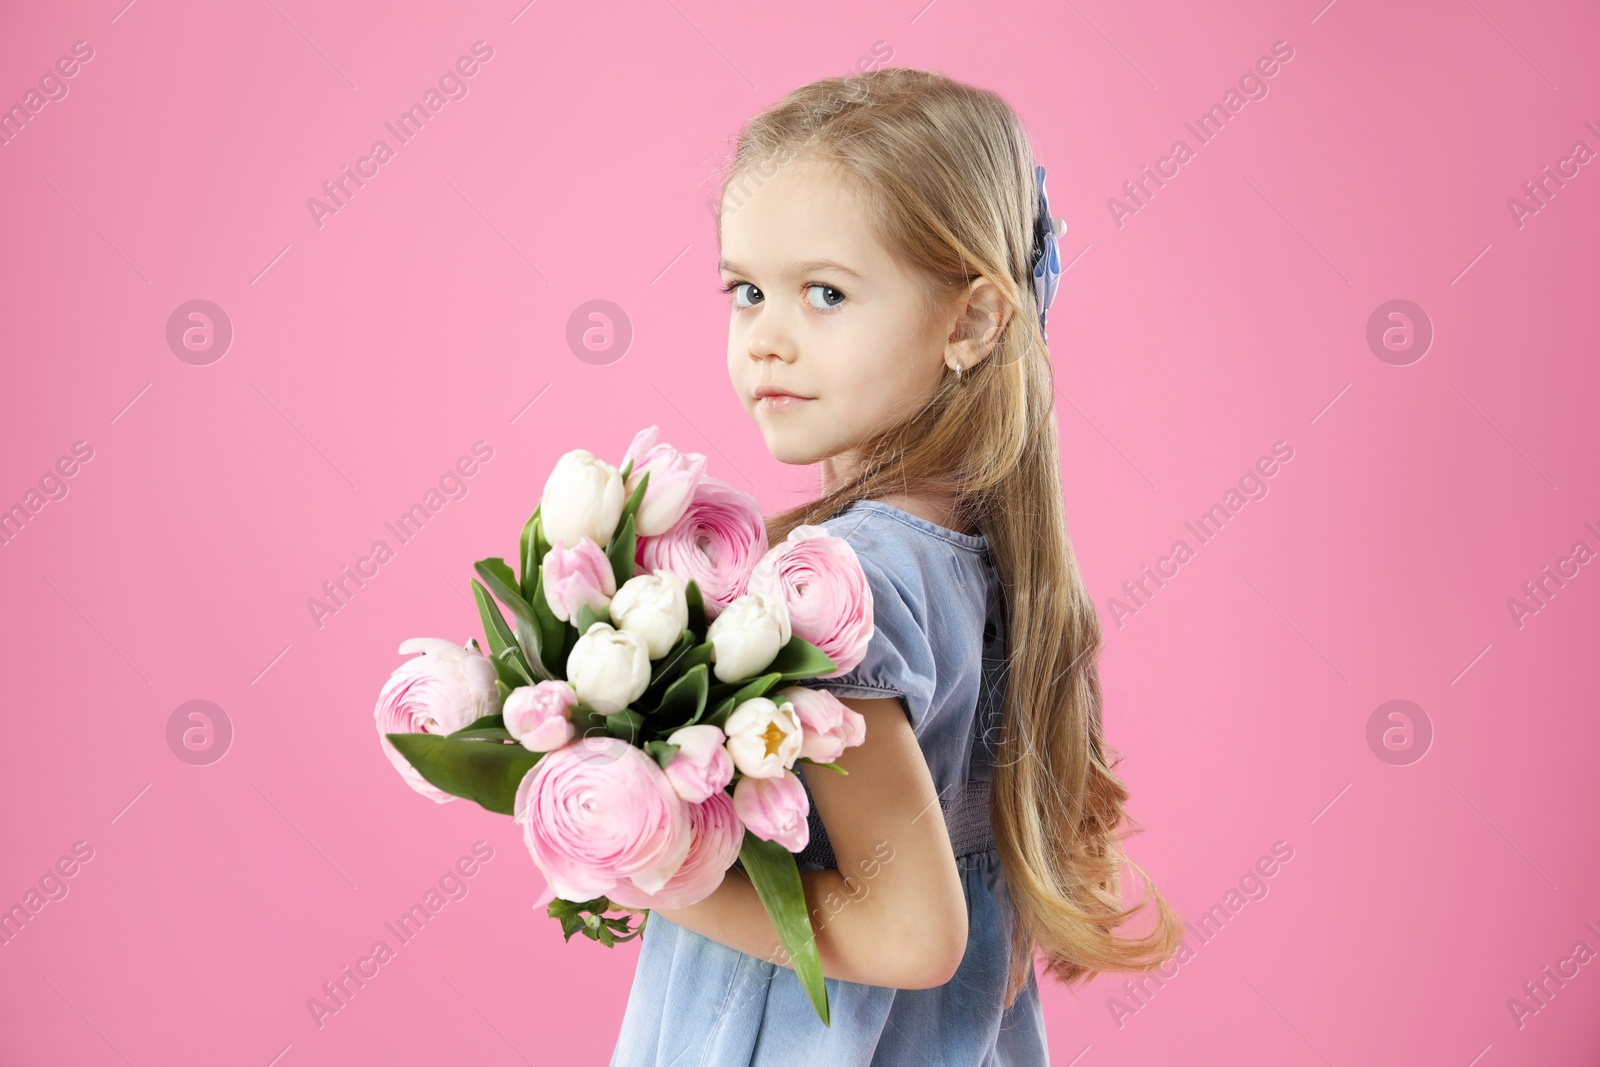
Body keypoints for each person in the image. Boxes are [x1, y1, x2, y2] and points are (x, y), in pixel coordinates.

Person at [610, 66, 1182, 1066]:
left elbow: (913, 932)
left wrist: (654, 870)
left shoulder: (838, 584)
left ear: (969, 320)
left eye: (824, 292)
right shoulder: (989, 558)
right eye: (746, 290)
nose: (767, 341)